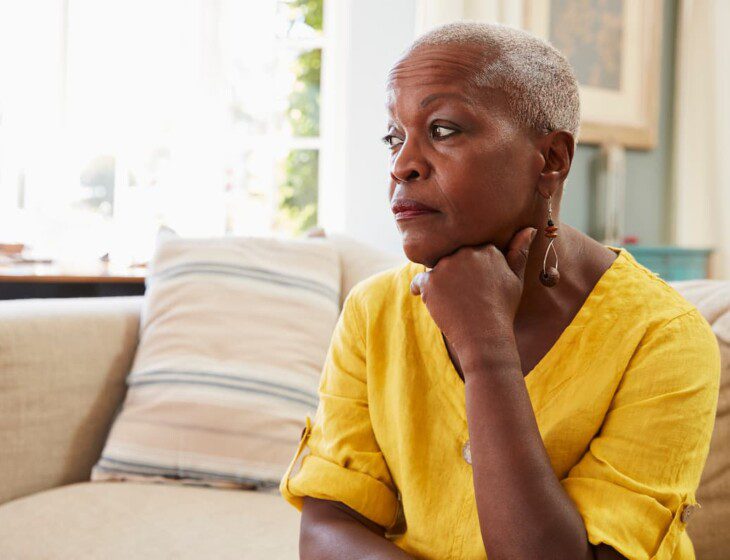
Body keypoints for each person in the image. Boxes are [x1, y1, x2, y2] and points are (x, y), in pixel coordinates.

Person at [278, 21, 721, 560]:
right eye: (395, 136)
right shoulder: (374, 311)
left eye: (443, 130)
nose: (401, 165)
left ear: (552, 159)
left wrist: (488, 352)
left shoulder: (664, 339)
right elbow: (326, 528)